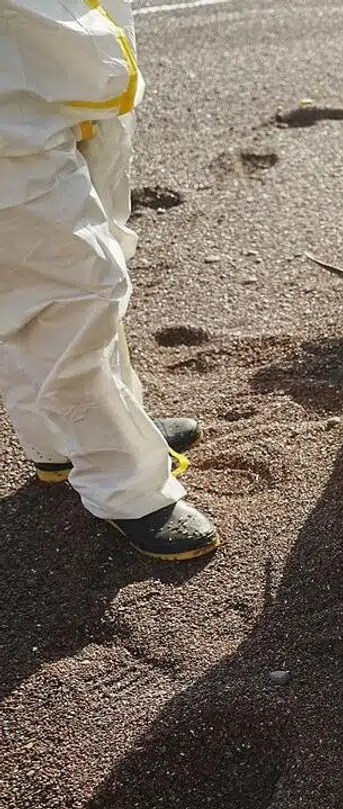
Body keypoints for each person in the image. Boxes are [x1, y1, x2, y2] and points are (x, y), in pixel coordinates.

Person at [2, 0, 218, 561]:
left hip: (74, 73)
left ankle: (67, 439)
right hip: (13, 111)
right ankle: (126, 485)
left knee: (87, 262)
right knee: (67, 293)